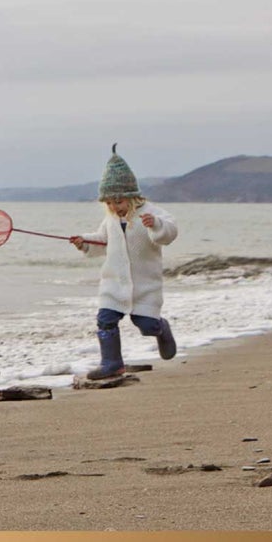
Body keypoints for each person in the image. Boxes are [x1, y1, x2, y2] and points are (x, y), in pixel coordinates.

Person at [70, 145, 178, 378]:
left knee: (146, 326)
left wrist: (156, 224)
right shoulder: (110, 219)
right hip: (114, 284)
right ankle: (112, 363)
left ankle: (161, 329)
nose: (114, 207)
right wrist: (84, 242)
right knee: (105, 320)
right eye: (109, 203)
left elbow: (169, 233)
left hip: (144, 285)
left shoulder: (151, 213)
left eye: (118, 201)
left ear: (132, 197)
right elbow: (103, 241)